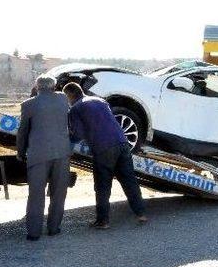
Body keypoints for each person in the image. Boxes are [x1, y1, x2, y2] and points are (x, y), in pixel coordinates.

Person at [62, 82, 147, 229]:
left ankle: (103, 221)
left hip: (104, 148)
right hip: (122, 143)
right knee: (129, 180)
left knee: (102, 185)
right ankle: (141, 214)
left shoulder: (76, 108)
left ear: (69, 95)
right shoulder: (100, 101)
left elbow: (78, 134)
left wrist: (66, 141)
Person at [16, 75, 72, 241]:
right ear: (54, 86)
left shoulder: (28, 105)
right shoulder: (63, 99)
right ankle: (54, 228)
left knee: (36, 194)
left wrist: (20, 152)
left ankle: (33, 233)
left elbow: (23, 131)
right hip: (62, 153)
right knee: (59, 192)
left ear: (37, 87)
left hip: (38, 154)